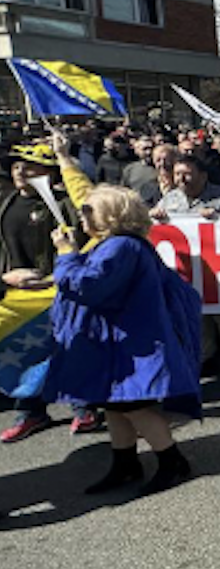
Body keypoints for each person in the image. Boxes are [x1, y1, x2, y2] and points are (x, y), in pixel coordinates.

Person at [41, 143, 201, 496]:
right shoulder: (116, 244)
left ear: (108, 215)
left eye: (88, 211)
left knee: (136, 406)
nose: (82, 217)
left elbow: (90, 286)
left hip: (131, 344)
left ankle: (172, 461)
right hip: (119, 342)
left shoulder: (121, 247)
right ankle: (125, 463)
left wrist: (66, 255)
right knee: (115, 405)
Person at [0, 143, 95, 442]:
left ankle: (83, 405)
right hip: (16, 293)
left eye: (29, 166)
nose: (21, 172)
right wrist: (5, 278)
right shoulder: (6, 203)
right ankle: (30, 410)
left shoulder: (62, 203)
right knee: (26, 352)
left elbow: (88, 229)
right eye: (17, 166)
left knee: (69, 347)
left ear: (47, 172)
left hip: (56, 289)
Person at [151, 155, 220, 379]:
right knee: (197, 313)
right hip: (188, 268)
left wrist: (219, 220)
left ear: (202, 175)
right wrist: (154, 217)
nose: (182, 179)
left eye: (187, 173)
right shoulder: (170, 199)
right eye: (177, 174)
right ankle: (207, 356)